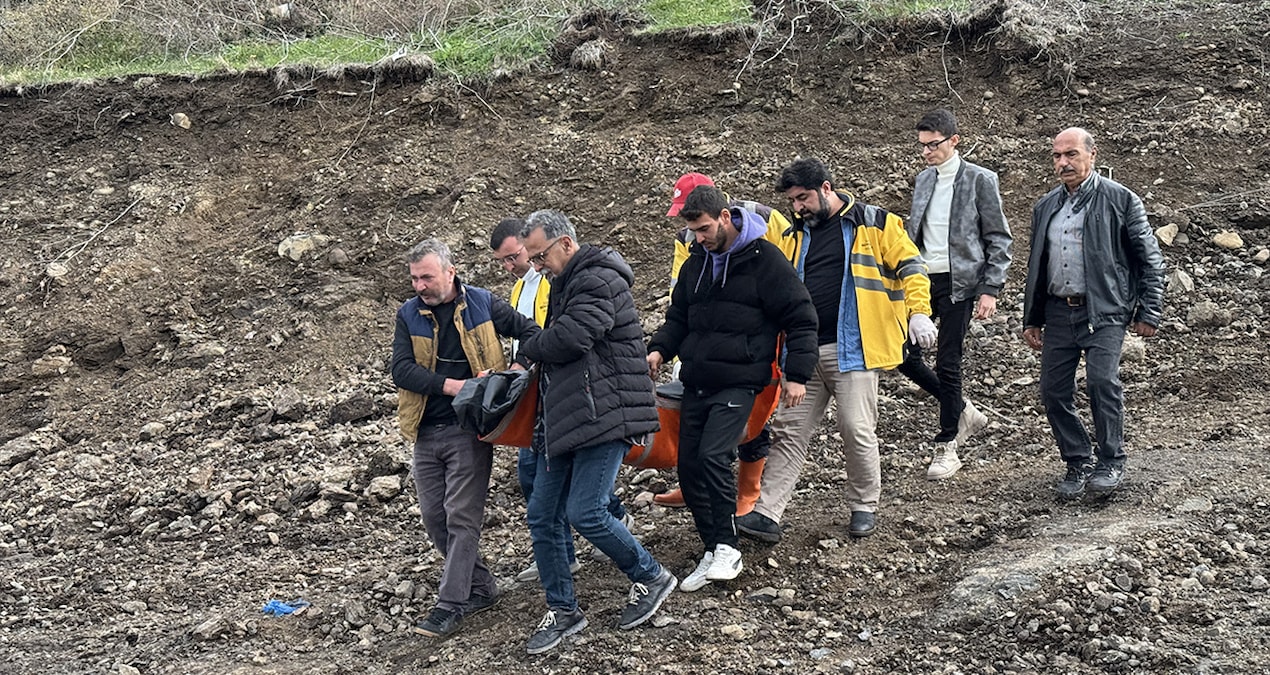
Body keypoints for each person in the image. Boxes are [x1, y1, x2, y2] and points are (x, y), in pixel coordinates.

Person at [735, 158, 934, 543]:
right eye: (793, 201)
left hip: (854, 348)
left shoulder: (874, 222)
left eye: (804, 198)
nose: (798, 207)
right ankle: (766, 513)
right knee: (789, 431)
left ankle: (864, 505)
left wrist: (919, 312)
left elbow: (912, 266)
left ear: (826, 188)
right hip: (803, 353)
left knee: (855, 428)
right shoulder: (795, 234)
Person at [515, 210, 677, 654]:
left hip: (605, 415)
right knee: (542, 514)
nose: (536, 266)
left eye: (540, 256)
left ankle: (650, 575)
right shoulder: (567, 282)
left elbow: (569, 340)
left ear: (566, 243)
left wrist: (527, 342)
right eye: (532, 258)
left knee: (585, 511)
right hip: (571, 418)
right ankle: (563, 609)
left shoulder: (598, 279)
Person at [647, 185, 818, 592]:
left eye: (704, 229)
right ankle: (712, 548)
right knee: (689, 468)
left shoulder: (765, 260)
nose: (699, 238)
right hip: (696, 380)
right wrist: (659, 349)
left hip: (741, 380)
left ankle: (728, 547)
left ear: (725, 217)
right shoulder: (696, 262)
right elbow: (679, 316)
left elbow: (800, 317)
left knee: (712, 456)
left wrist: (797, 374)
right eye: (693, 232)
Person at [390, 238, 540, 639]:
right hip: (425, 430)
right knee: (434, 518)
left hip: (470, 429)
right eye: (414, 278)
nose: (419, 286)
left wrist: (515, 370)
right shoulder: (408, 314)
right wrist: (454, 386)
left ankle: (450, 604)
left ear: (450, 272)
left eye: (426, 277)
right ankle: (482, 586)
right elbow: (401, 370)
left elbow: (531, 333)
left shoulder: (482, 303)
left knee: (461, 516)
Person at [1023, 127, 1165, 498]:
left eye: (1071, 154)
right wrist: (1032, 318)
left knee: (1102, 382)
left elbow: (1149, 259)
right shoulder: (1046, 206)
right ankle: (1077, 460)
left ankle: (1111, 461)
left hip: (1104, 309)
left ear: (1092, 154)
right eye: (1057, 156)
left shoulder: (1121, 199)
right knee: (1052, 391)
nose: (1063, 163)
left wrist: (1149, 310)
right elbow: (1038, 265)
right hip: (1058, 311)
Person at [488, 218, 630, 583]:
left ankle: (637, 557)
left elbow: (565, 337)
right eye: (504, 261)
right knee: (536, 481)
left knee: (582, 499)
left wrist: (530, 354)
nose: (516, 265)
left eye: (519, 256)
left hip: (578, 396)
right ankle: (560, 557)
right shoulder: (528, 286)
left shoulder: (573, 280)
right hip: (547, 392)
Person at [653, 172, 791, 515]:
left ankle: (748, 491)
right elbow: (682, 286)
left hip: (752, 341)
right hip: (704, 337)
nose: (694, 233)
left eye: (698, 223)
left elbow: (789, 271)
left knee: (751, 417)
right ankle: (696, 484)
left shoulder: (764, 219)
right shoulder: (690, 238)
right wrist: (674, 344)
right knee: (698, 422)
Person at [899, 109, 1013, 480]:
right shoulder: (923, 180)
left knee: (948, 362)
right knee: (901, 353)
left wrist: (990, 289)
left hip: (959, 282)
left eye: (933, 145)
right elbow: (915, 234)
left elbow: (998, 237)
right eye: (922, 146)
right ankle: (962, 407)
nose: (926, 152)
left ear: (954, 141)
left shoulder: (981, 179)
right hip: (921, 279)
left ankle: (947, 444)